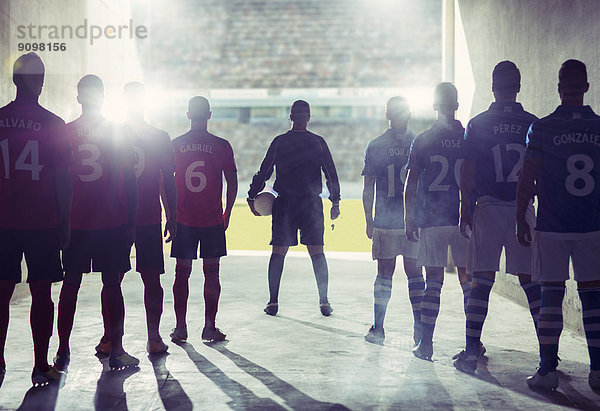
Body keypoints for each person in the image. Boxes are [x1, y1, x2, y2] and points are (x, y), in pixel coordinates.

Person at [517, 60, 600, 390]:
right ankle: (597, 371)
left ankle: (547, 370)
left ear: (558, 87)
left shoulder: (543, 128)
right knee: (593, 298)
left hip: (552, 226)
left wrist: (520, 215)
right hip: (592, 225)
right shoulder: (598, 127)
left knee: (551, 297)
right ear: (587, 87)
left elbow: (528, 176)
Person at [454, 61, 540, 373]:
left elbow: (468, 172)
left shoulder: (478, 124)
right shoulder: (533, 123)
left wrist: (465, 209)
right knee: (532, 282)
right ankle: (548, 357)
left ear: (493, 87)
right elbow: (539, 174)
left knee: (482, 280)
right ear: (518, 87)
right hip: (522, 210)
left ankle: (471, 350)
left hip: (488, 208)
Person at [55, 74, 139, 372]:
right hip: (111, 220)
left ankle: (62, 350)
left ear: (79, 97)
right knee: (112, 284)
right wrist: (132, 219)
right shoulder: (117, 130)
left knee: (70, 285)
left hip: (76, 220)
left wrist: (60, 219)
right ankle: (116, 350)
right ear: (103, 98)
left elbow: (58, 180)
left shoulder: (66, 132)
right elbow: (129, 178)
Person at [0, 53, 72, 386]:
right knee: (42, 294)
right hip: (42, 220)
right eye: (38, 77)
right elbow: (62, 177)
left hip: (4, 222)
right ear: (34, 81)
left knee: (2, 292)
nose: (41, 82)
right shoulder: (53, 124)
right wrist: (65, 220)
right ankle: (41, 364)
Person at [247, 100, 340, 317]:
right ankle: (324, 301)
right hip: (310, 203)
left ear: (290, 117)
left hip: (286, 203)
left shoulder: (280, 142)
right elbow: (331, 174)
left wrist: (252, 196)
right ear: (308, 117)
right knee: (317, 252)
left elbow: (264, 171)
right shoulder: (318, 142)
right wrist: (335, 201)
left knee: (278, 252)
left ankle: (273, 302)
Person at [404, 83, 470, 360]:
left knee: (434, 281)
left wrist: (410, 218)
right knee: (469, 282)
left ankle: (427, 343)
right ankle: (473, 344)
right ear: (456, 105)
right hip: (462, 216)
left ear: (433, 106)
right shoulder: (470, 137)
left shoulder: (423, 139)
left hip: (432, 218)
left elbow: (411, 183)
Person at [169, 96, 237, 343]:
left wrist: (170, 214)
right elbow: (232, 181)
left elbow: (164, 182)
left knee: (181, 273)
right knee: (212, 273)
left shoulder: (175, 144)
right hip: (211, 219)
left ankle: (180, 327)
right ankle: (209, 327)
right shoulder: (221, 145)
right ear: (210, 115)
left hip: (184, 218)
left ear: (187, 115)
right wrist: (227, 212)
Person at [362, 96, 423, 345]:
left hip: (386, 221)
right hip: (413, 221)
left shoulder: (376, 145)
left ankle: (378, 328)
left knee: (384, 275)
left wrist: (368, 218)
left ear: (387, 115)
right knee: (415, 275)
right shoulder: (418, 142)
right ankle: (419, 329)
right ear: (409, 114)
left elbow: (368, 187)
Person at [122, 82, 177, 354]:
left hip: (120, 217)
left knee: (113, 280)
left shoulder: (112, 133)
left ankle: (112, 339)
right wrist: (172, 213)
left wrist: (172, 213)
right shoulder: (159, 137)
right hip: (142, 217)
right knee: (151, 279)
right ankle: (153, 337)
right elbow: (167, 179)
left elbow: (167, 177)